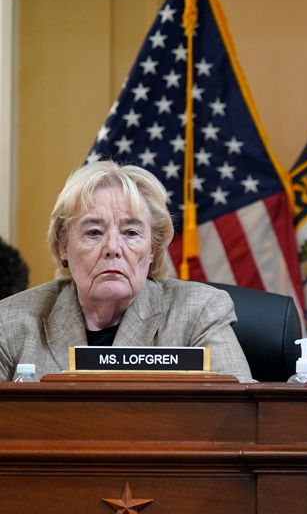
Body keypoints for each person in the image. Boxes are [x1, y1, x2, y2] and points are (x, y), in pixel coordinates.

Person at [0, 161, 252, 381]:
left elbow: (237, 418)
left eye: (131, 233)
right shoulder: (10, 323)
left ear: (153, 248)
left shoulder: (198, 312)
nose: (112, 248)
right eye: (93, 233)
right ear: (63, 246)